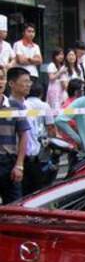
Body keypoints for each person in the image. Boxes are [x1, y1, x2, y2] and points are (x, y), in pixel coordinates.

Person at [12, 80, 55, 195]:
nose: (27, 85)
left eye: (29, 82)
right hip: (27, 155)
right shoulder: (42, 106)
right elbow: (50, 126)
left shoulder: (27, 106)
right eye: (25, 81)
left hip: (31, 156)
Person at [0, 68, 30, 203]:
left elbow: (24, 135)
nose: (0, 82)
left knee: (15, 207)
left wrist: (19, 165)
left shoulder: (15, 106)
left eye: (2, 78)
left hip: (8, 163)